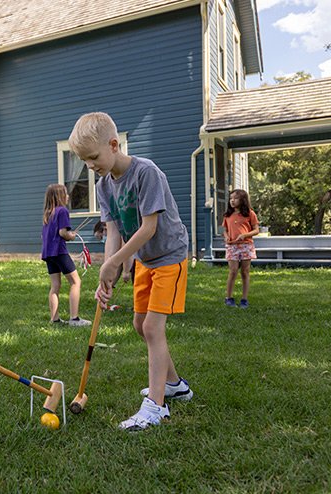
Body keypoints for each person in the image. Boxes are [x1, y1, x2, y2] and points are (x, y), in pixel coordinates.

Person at [68, 112, 193, 432]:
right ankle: (175, 385)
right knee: (140, 324)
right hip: (146, 260)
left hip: (170, 255)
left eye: (93, 157)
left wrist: (115, 263)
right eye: (85, 161)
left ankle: (155, 407)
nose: (91, 165)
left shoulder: (146, 173)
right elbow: (113, 233)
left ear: (114, 144)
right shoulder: (104, 187)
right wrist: (108, 271)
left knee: (152, 327)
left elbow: (149, 228)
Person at [41, 184, 91, 327]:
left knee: (55, 286)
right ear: (60, 196)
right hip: (59, 252)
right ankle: (74, 319)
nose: (68, 196)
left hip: (48, 254)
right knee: (76, 282)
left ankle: (54, 319)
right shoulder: (62, 211)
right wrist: (72, 236)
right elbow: (63, 233)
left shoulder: (48, 213)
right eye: (66, 193)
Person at [222, 189, 259, 309]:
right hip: (232, 246)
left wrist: (245, 235)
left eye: (235, 198)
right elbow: (225, 230)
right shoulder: (228, 215)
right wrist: (227, 237)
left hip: (246, 246)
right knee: (233, 271)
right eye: (231, 198)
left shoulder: (249, 213)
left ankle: (244, 299)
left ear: (242, 200)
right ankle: (228, 298)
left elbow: (256, 230)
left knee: (245, 272)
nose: (232, 201)